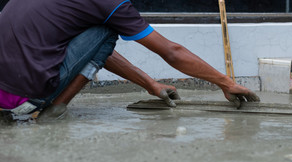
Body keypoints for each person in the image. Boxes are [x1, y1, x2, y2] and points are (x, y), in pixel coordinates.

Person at [0, 0, 260, 121]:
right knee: (107, 30)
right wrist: (225, 82)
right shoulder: (110, 4)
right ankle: (55, 108)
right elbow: (171, 51)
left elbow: (91, 50)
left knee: (97, 33)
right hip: (25, 96)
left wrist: (150, 84)